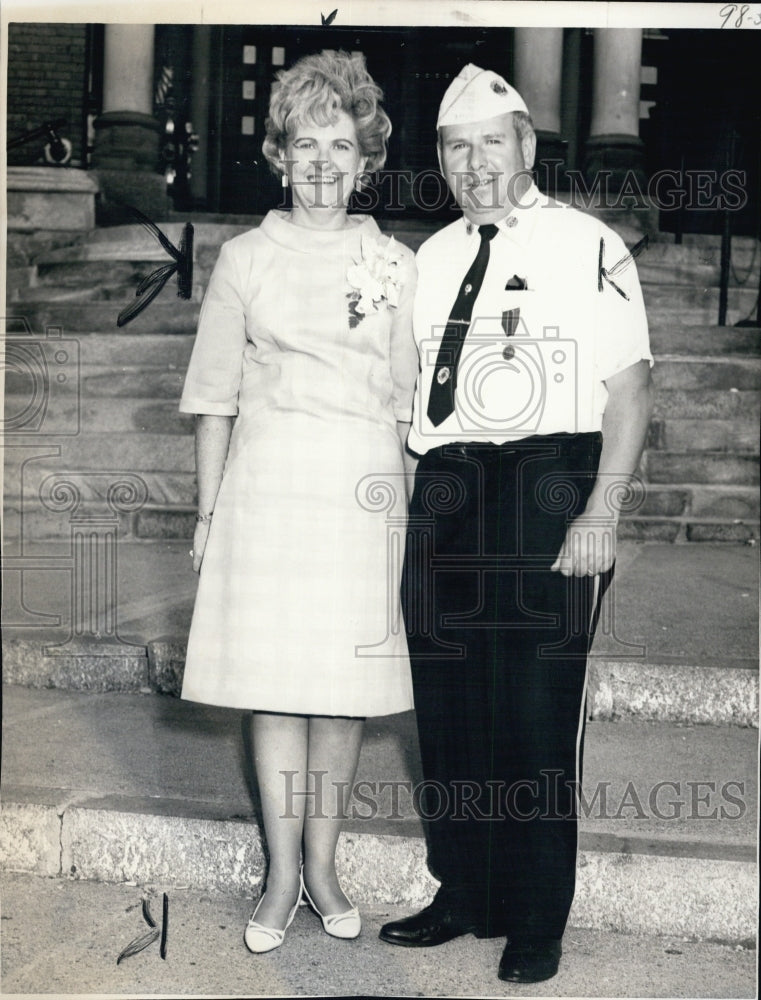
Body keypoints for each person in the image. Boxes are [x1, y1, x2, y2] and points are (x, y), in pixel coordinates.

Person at [379, 64, 654, 984]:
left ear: (526, 145)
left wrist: (599, 511)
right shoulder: (429, 259)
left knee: (533, 710)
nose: (475, 164)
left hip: (548, 481)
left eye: (491, 142)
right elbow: (405, 398)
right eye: (456, 148)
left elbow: (629, 393)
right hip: (447, 483)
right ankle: (464, 891)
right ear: (441, 161)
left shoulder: (589, 243)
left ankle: (536, 916)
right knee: (448, 704)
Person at [179, 50, 418, 953]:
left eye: (341, 146)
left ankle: (324, 866)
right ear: (280, 156)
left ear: (366, 161)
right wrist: (207, 515)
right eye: (306, 145)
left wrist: (406, 523)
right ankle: (281, 874)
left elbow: (406, 405)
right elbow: (214, 398)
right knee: (276, 688)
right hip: (268, 494)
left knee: (341, 694)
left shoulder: (395, 263)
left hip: (361, 497)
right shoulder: (245, 258)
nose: (323, 163)